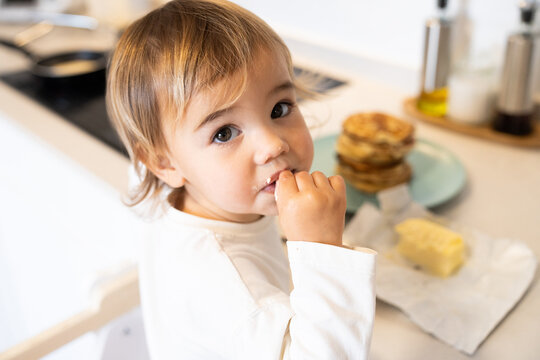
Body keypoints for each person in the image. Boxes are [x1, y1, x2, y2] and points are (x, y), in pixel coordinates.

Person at [106, 0, 377, 358]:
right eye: (224, 133)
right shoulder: (227, 284)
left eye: (279, 109)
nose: (273, 144)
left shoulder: (179, 190)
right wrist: (322, 249)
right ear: (164, 163)